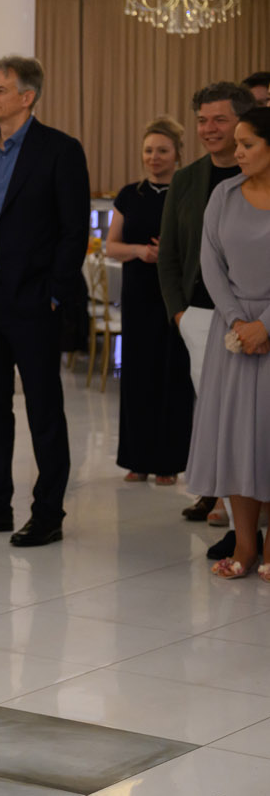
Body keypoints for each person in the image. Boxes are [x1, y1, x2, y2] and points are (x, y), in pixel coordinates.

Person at [0, 55, 90, 547]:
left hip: (31, 297)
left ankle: (48, 513)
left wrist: (55, 292)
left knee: (44, 409)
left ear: (27, 97)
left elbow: (74, 230)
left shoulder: (60, 150)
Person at [159, 81, 254, 529]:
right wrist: (179, 313)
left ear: (243, 122)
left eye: (220, 119)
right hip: (198, 313)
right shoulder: (186, 179)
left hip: (253, 316)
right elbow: (170, 254)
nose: (209, 129)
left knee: (250, 417)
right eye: (202, 120)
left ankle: (246, 513)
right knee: (213, 412)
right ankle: (221, 499)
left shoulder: (258, 175)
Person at [184, 107, 270, 580]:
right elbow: (210, 262)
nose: (237, 152)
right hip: (234, 332)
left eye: (248, 144)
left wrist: (266, 325)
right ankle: (245, 544)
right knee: (238, 439)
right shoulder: (225, 194)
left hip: (268, 328)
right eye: (237, 143)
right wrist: (238, 320)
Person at [106, 116, 192, 486]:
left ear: (177, 154)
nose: (154, 157)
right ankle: (136, 459)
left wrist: (170, 253)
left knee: (173, 374)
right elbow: (112, 246)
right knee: (137, 375)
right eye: (148, 150)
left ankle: (169, 462)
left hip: (176, 294)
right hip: (138, 293)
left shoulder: (187, 192)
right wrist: (141, 251)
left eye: (162, 151)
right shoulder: (130, 194)